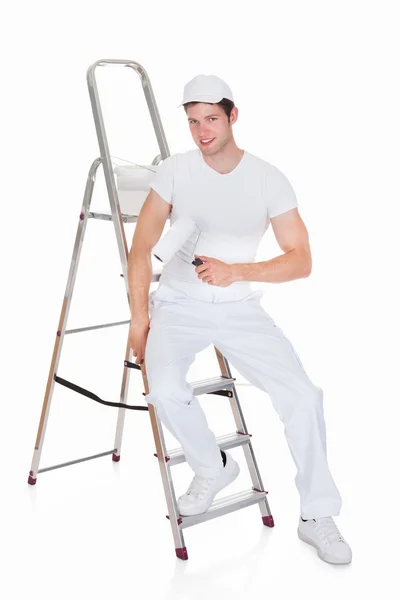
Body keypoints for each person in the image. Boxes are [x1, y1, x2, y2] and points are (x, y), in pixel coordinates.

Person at [127, 74, 352, 565]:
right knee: (162, 389)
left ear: (232, 116)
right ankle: (213, 466)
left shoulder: (268, 178)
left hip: (239, 307)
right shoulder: (174, 171)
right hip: (178, 307)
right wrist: (138, 318)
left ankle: (317, 515)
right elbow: (141, 247)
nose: (202, 130)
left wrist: (237, 272)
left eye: (211, 118)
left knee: (302, 395)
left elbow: (301, 260)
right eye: (192, 122)